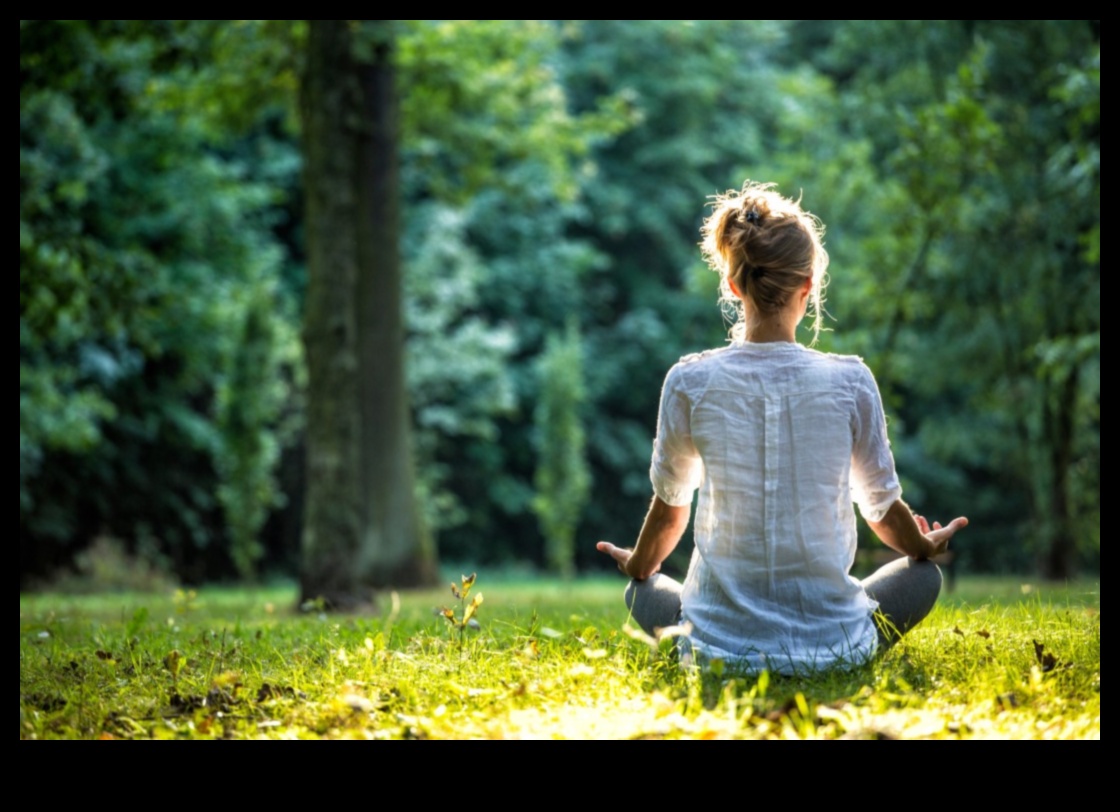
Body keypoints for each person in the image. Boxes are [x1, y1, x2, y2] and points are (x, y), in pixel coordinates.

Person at [596, 181, 968, 674]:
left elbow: (669, 515)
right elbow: (881, 510)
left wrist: (639, 565)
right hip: (833, 646)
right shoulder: (850, 381)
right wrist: (923, 545)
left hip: (715, 652)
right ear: (807, 286)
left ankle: (710, 636)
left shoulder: (689, 381)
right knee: (924, 579)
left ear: (733, 285)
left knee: (640, 589)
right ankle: (838, 649)